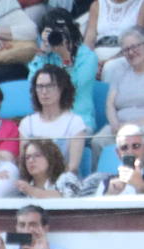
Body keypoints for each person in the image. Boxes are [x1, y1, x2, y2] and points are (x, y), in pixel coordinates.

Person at [28, 9, 98, 134]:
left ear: (70, 30)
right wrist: (42, 54)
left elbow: (74, 87)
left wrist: (65, 57)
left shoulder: (87, 57)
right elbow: (33, 86)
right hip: (48, 119)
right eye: (50, 31)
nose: (55, 35)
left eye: (59, 30)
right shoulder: (46, 55)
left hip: (79, 120)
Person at [20, 63, 88, 173]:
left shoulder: (75, 122)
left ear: (61, 89)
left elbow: (73, 166)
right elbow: (24, 164)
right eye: (40, 86)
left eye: (50, 86)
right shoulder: (27, 123)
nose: (44, 91)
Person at [95, 27, 144, 161]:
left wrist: (131, 125)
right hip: (119, 126)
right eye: (126, 50)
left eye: (135, 47)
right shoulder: (119, 72)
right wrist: (115, 123)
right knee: (97, 141)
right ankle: (102, 178)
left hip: (141, 126)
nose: (131, 52)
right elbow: (110, 104)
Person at [84, 0, 144, 69]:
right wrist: (90, 64)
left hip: (127, 58)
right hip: (97, 64)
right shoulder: (97, 5)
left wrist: (107, 63)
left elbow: (139, 42)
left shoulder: (141, 4)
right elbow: (88, 41)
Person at [15, 136, 82, 197]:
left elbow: (66, 200)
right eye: (27, 157)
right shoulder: (23, 188)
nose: (31, 160)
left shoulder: (67, 178)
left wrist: (32, 191)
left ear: (51, 158)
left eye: (37, 155)